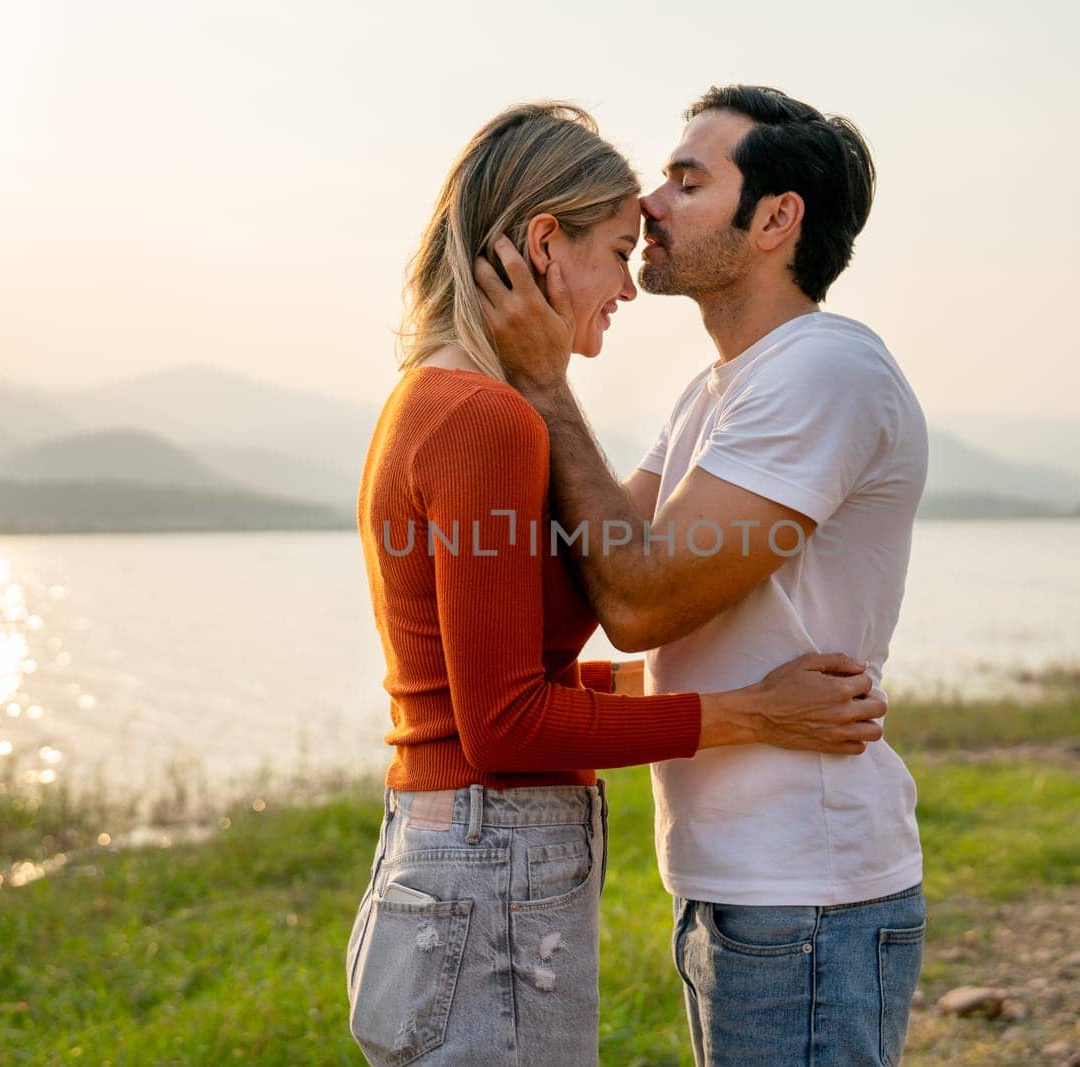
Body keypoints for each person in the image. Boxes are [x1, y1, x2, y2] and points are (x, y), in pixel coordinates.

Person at [345, 101, 886, 1067]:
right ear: (545, 244)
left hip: (453, 857)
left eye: (683, 186)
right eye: (616, 247)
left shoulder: (433, 397)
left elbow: (501, 682)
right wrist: (749, 714)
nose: (628, 281)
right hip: (489, 866)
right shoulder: (487, 419)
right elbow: (509, 720)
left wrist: (707, 697)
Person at [478, 85, 930, 1065]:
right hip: (742, 884)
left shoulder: (824, 371)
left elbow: (637, 598)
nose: (650, 202)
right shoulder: (719, 389)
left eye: (688, 180)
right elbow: (601, 558)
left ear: (775, 219)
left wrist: (548, 381)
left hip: (803, 885)